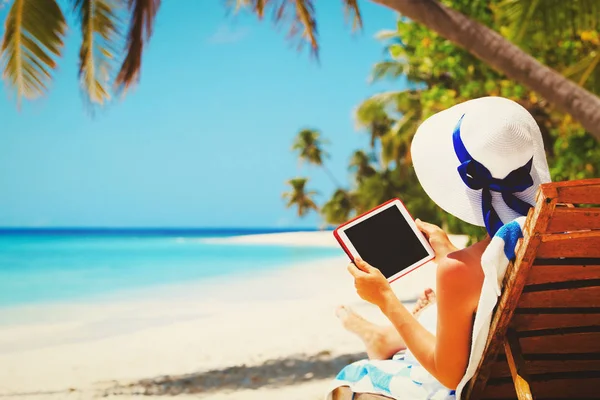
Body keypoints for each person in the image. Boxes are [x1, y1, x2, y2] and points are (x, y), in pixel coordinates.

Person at [329, 97, 552, 400]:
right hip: (582, 374)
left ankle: (381, 338)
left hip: (505, 388)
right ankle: (381, 338)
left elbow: (449, 374)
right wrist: (451, 258)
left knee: (350, 384)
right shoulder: (579, 234)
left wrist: (384, 299)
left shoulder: (465, 268)